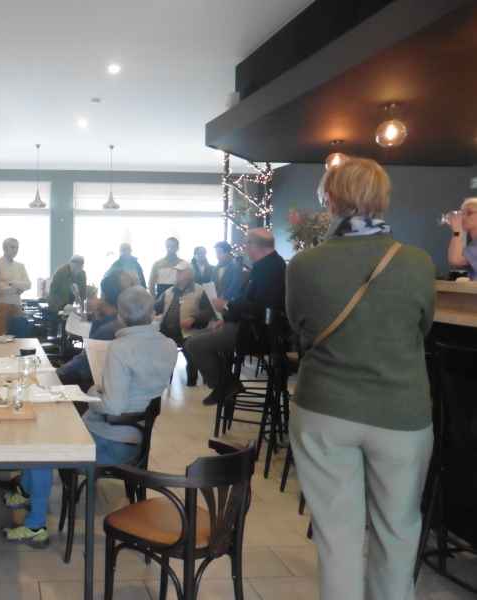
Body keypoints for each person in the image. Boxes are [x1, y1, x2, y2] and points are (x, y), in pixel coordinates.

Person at [286, 157, 434, 600]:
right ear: (383, 199)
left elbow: (302, 330)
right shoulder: (417, 263)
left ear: (330, 200)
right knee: (398, 531)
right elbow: (423, 328)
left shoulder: (305, 264)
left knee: (337, 538)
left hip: (325, 408)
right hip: (402, 413)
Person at [2, 287, 179, 547]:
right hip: (137, 437)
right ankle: (28, 490)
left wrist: (94, 391)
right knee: (45, 431)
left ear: (120, 315)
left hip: (111, 439)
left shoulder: (121, 348)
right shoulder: (169, 345)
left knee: (41, 443)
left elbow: (113, 406)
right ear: (152, 313)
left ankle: (35, 525)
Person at [184, 229, 285, 406]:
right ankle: (226, 383)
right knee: (196, 339)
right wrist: (227, 318)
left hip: (257, 333)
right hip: (250, 326)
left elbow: (259, 307)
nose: (245, 248)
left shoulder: (268, 269)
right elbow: (249, 301)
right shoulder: (270, 264)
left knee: (194, 344)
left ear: (255, 245)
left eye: (247, 244)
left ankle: (225, 384)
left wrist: (226, 306)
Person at [56, 269, 138, 391]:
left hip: (93, 388)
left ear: (104, 296)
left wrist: (55, 374)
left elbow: (82, 365)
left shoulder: (108, 329)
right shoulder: (129, 322)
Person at [157, 267, 214, 386]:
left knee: (191, 351)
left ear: (189, 274)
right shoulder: (169, 291)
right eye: (176, 272)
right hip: (166, 332)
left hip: (188, 332)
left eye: (180, 272)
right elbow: (156, 307)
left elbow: (209, 311)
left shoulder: (199, 290)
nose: (177, 274)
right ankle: (160, 383)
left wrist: (194, 318)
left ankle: (191, 383)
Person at [0, 238, 31, 335]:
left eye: (17, 248)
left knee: (19, 337)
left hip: (17, 305)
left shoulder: (20, 266)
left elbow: (28, 284)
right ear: (4, 248)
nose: (15, 250)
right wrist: (17, 288)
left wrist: (11, 283)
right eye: (12, 247)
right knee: (1, 337)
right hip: (1, 306)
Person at [445, 196, 477, 280]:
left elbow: (455, 260)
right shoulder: (473, 243)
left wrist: (457, 230)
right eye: (462, 213)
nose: (462, 217)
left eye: (469, 213)